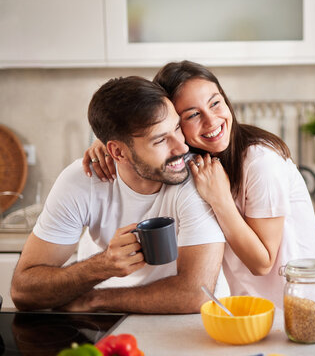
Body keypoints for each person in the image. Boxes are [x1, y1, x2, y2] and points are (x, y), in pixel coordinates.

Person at [84, 61, 315, 308]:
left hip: (298, 309)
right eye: (193, 115)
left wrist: (219, 199)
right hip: (252, 312)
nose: (211, 121)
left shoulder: (260, 162)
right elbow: (140, 131)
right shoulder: (195, 161)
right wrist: (108, 145)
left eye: (215, 103)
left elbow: (262, 263)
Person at [11, 76, 225, 313]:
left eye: (176, 128)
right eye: (161, 140)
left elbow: (195, 294)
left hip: (186, 325)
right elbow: (23, 292)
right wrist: (101, 266)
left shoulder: (197, 177)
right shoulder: (82, 181)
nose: (182, 148)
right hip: (107, 324)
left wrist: (93, 300)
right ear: (117, 152)